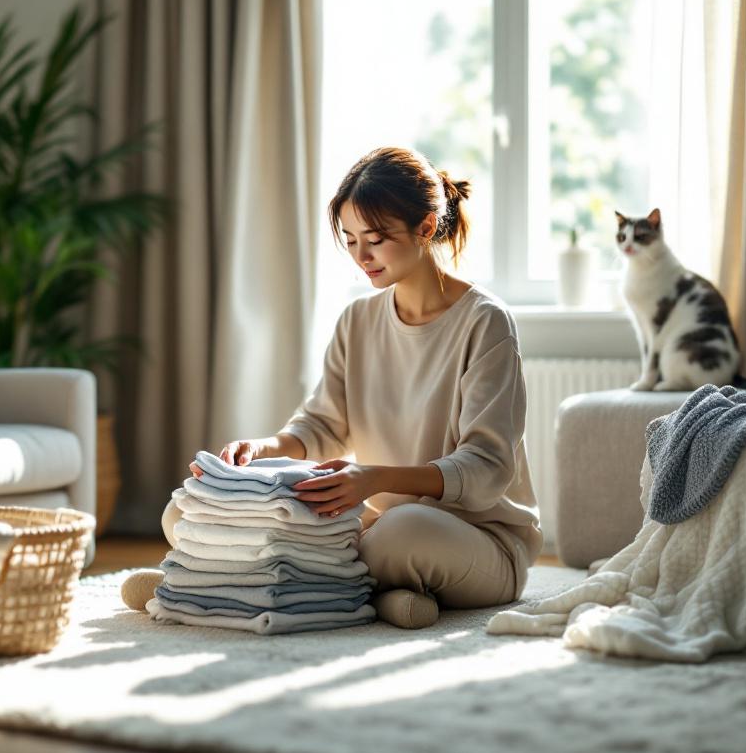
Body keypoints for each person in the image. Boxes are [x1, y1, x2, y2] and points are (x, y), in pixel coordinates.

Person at [125, 146, 542, 629]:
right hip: (376, 524)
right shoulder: (357, 320)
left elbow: (486, 468)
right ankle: (376, 598)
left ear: (426, 227)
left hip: (478, 540)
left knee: (399, 533)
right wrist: (260, 450)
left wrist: (374, 478)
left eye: (376, 239)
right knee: (186, 511)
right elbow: (321, 427)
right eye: (350, 240)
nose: (361, 256)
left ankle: (208, 586)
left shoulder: (485, 322)